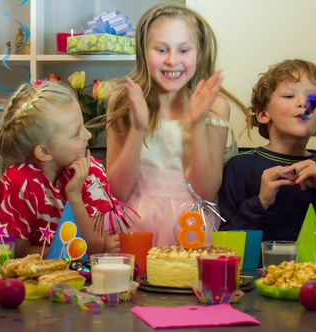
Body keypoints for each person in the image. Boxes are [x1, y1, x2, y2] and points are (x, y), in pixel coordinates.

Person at [104, 3, 250, 247]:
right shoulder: (122, 101)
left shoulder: (215, 106)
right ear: (143, 52)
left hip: (192, 227)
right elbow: (118, 191)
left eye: (184, 50)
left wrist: (197, 124)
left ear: (199, 53)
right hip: (138, 226)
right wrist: (139, 129)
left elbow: (204, 191)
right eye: (161, 50)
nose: (172, 60)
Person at [219, 59, 316, 256]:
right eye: (289, 95)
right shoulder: (239, 166)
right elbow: (226, 248)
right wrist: (260, 202)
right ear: (263, 114)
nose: (303, 103)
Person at [0, 82, 118, 258]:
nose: (88, 135)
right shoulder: (18, 181)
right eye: (76, 133)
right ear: (44, 152)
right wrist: (70, 252)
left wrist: (74, 196)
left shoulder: (91, 171)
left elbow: (95, 247)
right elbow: (16, 251)